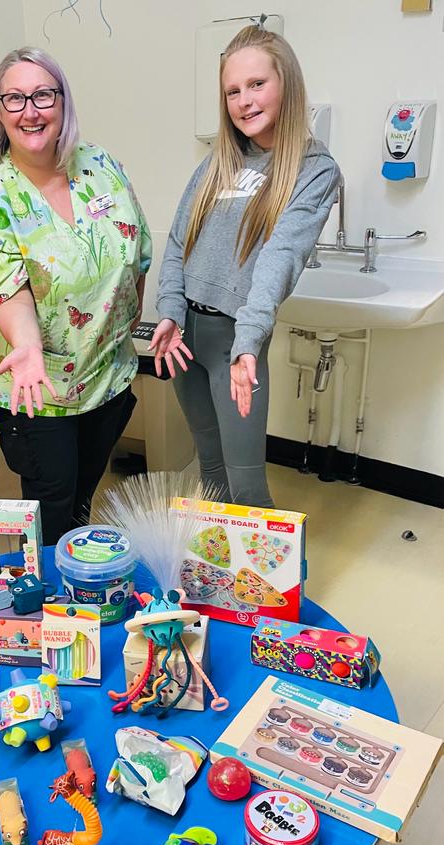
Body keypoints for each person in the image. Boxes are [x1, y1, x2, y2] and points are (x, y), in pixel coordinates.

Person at [0, 47, 151, 544]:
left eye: (43, 94)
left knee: (84, 498)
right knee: (52, 508)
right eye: (14, 98)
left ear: (63, 102)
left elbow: (137, 246)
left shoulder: (100, 165)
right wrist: (26, 344)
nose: (30, 110)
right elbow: (7, 292)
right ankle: (51, 610)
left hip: (106, 376)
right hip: (38, 390)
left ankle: (79, 591)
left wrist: (129, 319)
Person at [150, 25, 339, 508]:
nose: (244, 101)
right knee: (209, 469)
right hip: (184, 340)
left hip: (236, 346)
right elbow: (177, 241)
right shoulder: (219, 160)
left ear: (287, 84)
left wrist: (249, 341)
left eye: (257, 84)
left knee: (246, 481)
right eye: (233, 90)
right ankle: (217, 579)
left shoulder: (313, 170)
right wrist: (169, 310)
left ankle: (269, 584)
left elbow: (281, 257)